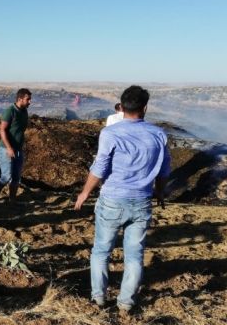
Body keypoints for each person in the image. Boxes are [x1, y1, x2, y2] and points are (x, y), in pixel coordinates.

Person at [74, 85, 171, 313]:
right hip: (142, 201)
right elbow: (164, 170)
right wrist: (160, 192)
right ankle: (126, 301)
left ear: (122, 105)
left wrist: (85, 192)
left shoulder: (110, 133)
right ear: (145, 107)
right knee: (135, 255)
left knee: (101, 251)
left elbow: (100, 167)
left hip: (112, 201)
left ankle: (98, 297)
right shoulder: (158, 134)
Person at [0, 88, 31, 203]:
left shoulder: (24, 111)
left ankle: (12, 200)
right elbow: (2, 130)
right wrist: (9, 148)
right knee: (6, 176)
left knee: (16, 178)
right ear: (20, 99)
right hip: (6, 149)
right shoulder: (10, 111)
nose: (30, 102)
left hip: (18, 150)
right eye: (28, 99)